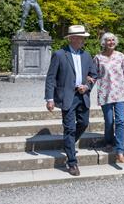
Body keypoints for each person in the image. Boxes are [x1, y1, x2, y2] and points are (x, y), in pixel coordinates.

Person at [45, 25, 97, 176]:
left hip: (83, 96)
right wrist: (49, 98)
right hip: (67, 97)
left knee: (83, 123)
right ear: (73, 38)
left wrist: (87, 86)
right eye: (81, 38)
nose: (83, 40)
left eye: (83, 38)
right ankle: (72, 162)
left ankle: (68, 143)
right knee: (70, 129)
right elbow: (51, 78)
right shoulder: (60, 54)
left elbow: (94, 75)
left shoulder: (87, 55)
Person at [89, 32, 124, 163]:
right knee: (109, 121)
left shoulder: (121, 56)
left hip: (120, 93)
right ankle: (108, 141)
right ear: (104, 42)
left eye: (113, 40)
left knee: (120, 121)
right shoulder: (98, 58)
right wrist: (87, 82)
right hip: (105, 93)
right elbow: (93, 74)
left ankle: (120, 151)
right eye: (108, 40)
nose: (111, 42)